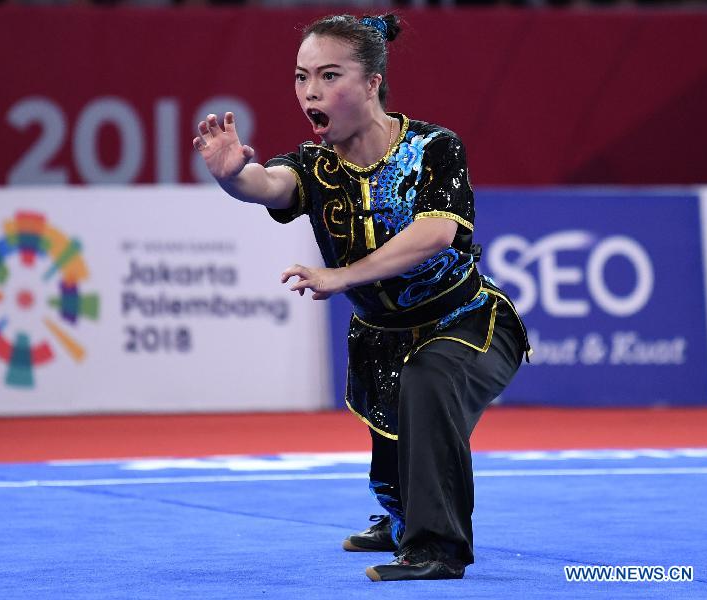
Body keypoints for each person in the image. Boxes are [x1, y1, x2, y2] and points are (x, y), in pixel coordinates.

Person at [192, 13, 529, 582]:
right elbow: (270, 184)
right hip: (381, 336)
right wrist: (232, 177)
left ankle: (437, 549)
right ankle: (399, 520)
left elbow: (436, 232)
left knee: (429, 381)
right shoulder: (314, 166)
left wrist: (343, 276)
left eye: (329, 76)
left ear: (372, 82)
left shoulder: (434, 147)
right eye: (301, 77)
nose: (310, 91)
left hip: (467, 321)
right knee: (391, 444)